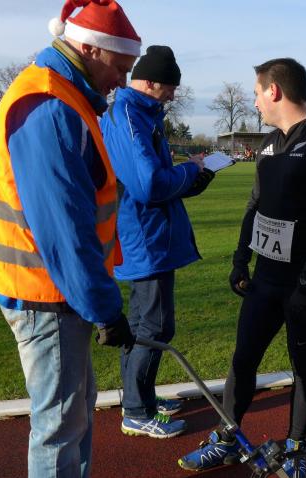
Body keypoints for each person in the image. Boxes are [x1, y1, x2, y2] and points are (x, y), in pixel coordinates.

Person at [0, 1, 141, 478]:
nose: (122, 80)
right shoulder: (50, 106)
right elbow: (65, 233)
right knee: (58, 420)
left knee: (77, 405)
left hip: (55, 289)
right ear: (91, 49)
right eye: (120, 66)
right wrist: (104, 308)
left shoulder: (67, 95)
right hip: (45, 292)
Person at [178, 58, 306, 473]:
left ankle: (296, 449)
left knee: (302, 365)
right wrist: (241, 259)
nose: (255, 101)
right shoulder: (270, 143)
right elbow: (255, 205)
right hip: (265, 279)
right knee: (243, 359)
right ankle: (227, 438)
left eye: (256, 93)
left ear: (274, 91)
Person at [100, 45, 215, 439]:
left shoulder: (141, 113)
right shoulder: (130, 116)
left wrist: (194, 177)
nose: (174, 94)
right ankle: (137, 410)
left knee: (139, 326)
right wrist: (190, 170)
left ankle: (139, 398)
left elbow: (156, 180)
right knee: (156, 326)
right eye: (170, 86)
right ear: (149, 82)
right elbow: (149, 185)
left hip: (146, 234)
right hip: (145, 238)